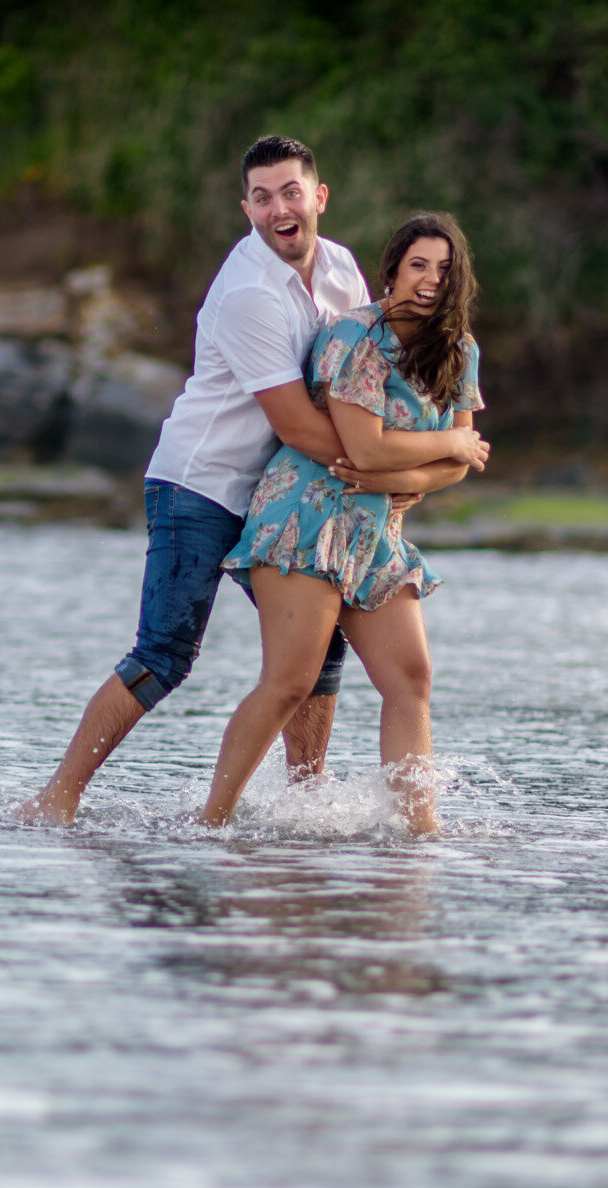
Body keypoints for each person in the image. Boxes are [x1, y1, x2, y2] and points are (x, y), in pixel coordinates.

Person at [19, 137, 469, 826]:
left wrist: (398, 466)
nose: (278, 208)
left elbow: (364, 385)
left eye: (290, 192)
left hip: (288, 492)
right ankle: (58, 799)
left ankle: (302, 803)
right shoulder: (249, 295)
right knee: (165, 652)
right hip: (201, 485)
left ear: (318, 197)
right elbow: (305, 428)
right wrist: (398, 470)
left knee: (318, 654)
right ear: (247, 209)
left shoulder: (344, 270)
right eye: (261, 197)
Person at [201, 212, 488, 837]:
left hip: (376, 526)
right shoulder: (354, 335)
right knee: (289, 682)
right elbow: (367, 449)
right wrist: (446, 448)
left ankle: (419, 834)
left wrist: (415, 473)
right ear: (391, 269)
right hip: (306, 515)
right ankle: (209, 824)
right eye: (418, 264)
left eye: (444, 268)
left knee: (411, 677)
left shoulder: (459, 350)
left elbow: (452, 467)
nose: (431, 279)